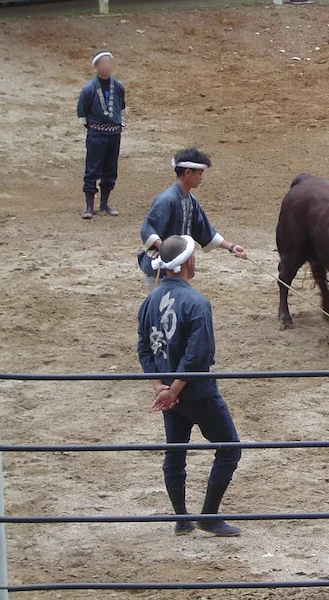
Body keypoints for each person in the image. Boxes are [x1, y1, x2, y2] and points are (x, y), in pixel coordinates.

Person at [136, 235, 243, 537]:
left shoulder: (149, 302)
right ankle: (208, 516)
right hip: (197, 391)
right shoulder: (197, 303)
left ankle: (182, 518)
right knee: (229, 448)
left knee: (175, 453)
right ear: (187, 263)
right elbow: (197, 356)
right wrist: (175, 388)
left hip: (169, 395)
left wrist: (161, 387)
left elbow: (144, 349)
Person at [138, 148, 248, 292]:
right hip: (161, 267)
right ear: (188, 172)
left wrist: (231, 247)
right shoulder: (166, 200)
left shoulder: (190, 200)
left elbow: (203, 230)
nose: (201, 177)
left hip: (179, 265)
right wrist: (169, 250)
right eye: (200, 173)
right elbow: (148, 230)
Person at [76, 51, 126, 220]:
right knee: (92, 168)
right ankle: (89, 206)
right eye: (104, 63)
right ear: (96, 67)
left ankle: (104, 204)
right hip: (97, 134)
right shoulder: (89, 88)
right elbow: (82, 109)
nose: (108, 66)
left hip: (114, 134)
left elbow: (121, 106)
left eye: (110, 63)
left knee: (110, 168)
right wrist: (92, 127)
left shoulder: (118, 86)